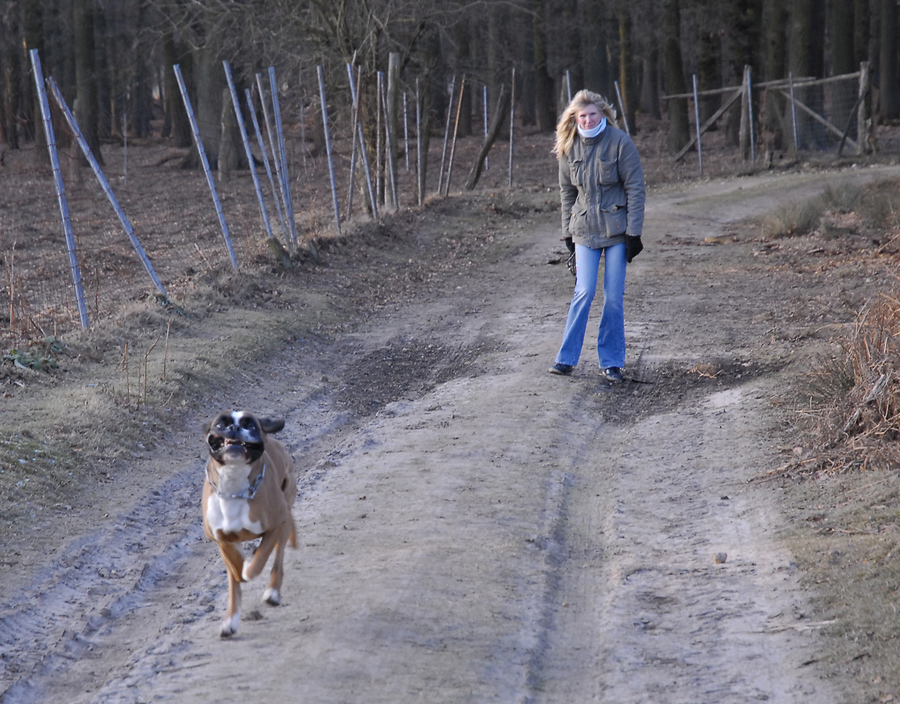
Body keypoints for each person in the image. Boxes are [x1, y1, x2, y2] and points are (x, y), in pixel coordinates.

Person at [548, 89, 646, 382]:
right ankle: (566, 359)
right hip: (583, 231)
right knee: (583, 292)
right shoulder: (569, 147)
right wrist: (567, 233)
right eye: (583, 116)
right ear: (575, 118)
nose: (588, 120)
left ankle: (612, 362)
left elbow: (636, 189)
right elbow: (567, 193)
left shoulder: (620, 143)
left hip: (617, 231)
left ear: (602, 114)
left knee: (613, 298)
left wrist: (634, 233)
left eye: (593, 114)